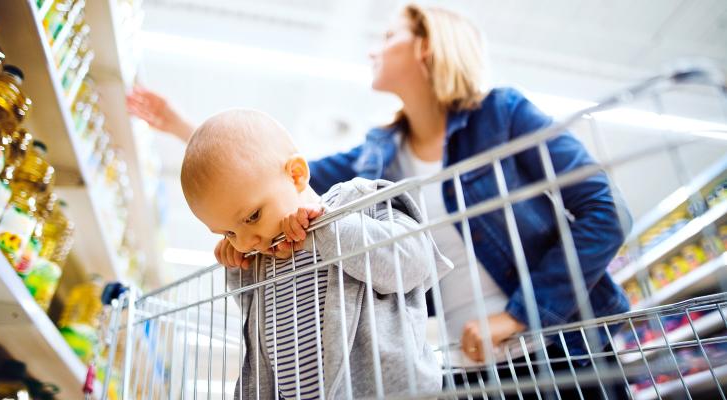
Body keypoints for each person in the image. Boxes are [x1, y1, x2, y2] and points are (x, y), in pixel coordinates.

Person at [130, 4, 631, 398]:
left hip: (560, 347)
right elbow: (268, 176)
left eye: (389, 37)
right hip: (465, 364)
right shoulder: (378, 155)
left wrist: (522, 315)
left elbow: (605, 212)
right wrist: (183, 127)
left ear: (429, 47)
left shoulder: (503, 115)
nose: (374, 50)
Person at [180, 109, 453, 399]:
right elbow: (256, 315)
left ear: (296, 175)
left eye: (252, 217)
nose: (247, 242)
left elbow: (413, 264)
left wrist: (328, 227)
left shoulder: (357, 201)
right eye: (229, 233)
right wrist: (239, 268)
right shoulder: (264, 255)